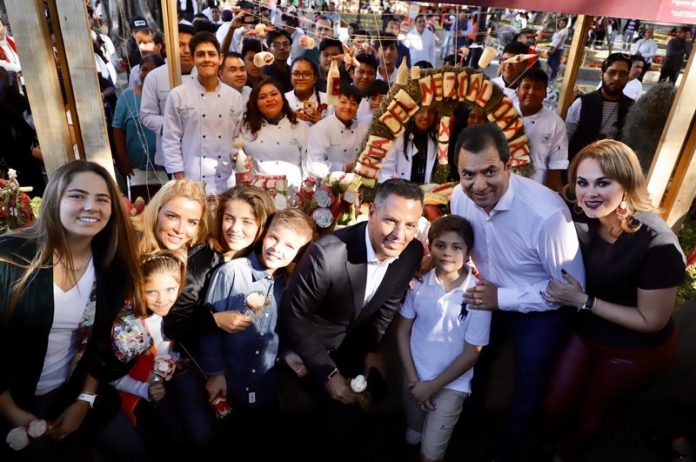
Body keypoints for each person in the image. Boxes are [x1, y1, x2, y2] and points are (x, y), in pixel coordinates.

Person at [541, 139, 685, 461]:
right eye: (582, 182)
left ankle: (565, 454)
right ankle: (547, 445)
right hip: (587, 330)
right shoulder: (583, 207)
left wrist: (583, 301)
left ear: (627, 184)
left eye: (603, 182)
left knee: (591, 413)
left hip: (634, 348)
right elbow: (536, 197)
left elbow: (652, 321)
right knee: (554, 402)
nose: (589, 192)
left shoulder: (657, 244)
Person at [450, 123, 585, 461]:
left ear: (510, 166)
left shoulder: (547, 213)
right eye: (468, 174)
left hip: (545, 310)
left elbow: (572, 289)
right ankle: (466, 424)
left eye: (490, 171)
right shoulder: (457, 197)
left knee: (528, 385)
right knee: (469, 364)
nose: (478, 185)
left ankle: (513, 448)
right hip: (490, 300)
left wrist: (504, 299)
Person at [0, 160, 145, 462]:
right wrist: (12, 412)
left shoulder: (113, 268)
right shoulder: (10, 258)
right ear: (56, 199)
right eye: (77, 195)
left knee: (133, 451)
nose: (91, 206)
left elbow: (103, 344)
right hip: (11, 399)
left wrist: (85, 399)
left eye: (102, 199)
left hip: (75, 391)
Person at [279, 179, 424, 460]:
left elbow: (388, 304)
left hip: (355, 346)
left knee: (377, 391)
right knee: (342, 420)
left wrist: (372, 348)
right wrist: (328, 374)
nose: (399, 234)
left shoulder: (412, 252)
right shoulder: (327, 254)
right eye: (390, 221)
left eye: (410, 225)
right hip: (312, 349)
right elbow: (294, 317)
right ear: (371, 213)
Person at [201, 208, 315, 457]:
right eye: (273, 238)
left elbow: (276, 330)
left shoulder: (286, 284)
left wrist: (288, 354)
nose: (277, 248)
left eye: (289, 246)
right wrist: (215, 373)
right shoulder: (230, 273)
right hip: (229, 385)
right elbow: (208, 330)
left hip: (265, 387)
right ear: (264, 235)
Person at [396, 215, 491, 462]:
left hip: (451, 385)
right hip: (414, 378)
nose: (447, 253)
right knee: (413, 434)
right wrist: (415, 381)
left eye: (456, 247)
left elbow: (472, 352)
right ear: (430, 246)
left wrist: (432, 386)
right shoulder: (418, 282)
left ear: (468, 252)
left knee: (431, 454)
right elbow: (402, 331)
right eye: (440, 245)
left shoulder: (477, 295)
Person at [111, 250, 189, 459]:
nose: (162, 299)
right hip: (135, 400)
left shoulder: (175, 316)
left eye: (170, 289)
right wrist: (144, 390)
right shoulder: (129, 326)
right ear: (138, 288)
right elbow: (112, 376)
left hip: (163, 392)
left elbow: (165, 353)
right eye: (151, 291)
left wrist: (176, 362)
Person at [162, 31, 244, 196]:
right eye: (200, 55)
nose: (206, 59)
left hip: (226, 180)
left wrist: (238, 157)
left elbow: (236, 138)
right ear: (192, 59)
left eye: (211, 54)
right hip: (190, 180)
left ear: (220, 58)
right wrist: (180, 179)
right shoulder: (178, 95)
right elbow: (171, 140)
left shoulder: (234, 96)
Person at [140, 24, 197, 169]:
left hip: (203, 153)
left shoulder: (206, 75)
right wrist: (172, 125)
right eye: (180, 45)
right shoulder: (155, 77)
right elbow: (146, 115)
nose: (186, 50)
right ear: (168, 47)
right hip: (170, 155)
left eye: (191, 45)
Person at [113, 53, 169, 199]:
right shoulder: (127, 96)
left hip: (166, 169)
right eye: (144, 69)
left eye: (152, 70)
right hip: (136, 169)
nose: (148, 74)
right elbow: (117, 129)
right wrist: (123, 159)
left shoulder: (168, 95)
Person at [241, 77, 310, 194]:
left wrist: (306, 191)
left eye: (274, 94)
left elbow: (308, 163)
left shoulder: (301, 127)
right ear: (255, 103)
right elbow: (237, 158)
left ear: (283, 99)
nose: (269, 99)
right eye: (262, 97)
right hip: (258, 195)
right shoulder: (244, 128)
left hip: (293, 194)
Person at [566, 53, 633, 162]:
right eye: (612, 72)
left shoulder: (632, 108)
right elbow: (565, 139)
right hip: (579, 166)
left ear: (628, 77)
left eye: (623, 74)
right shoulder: (582, 103)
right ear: (601, 75)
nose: (617, 78)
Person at [516, 68, 568, 191]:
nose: (531, 92)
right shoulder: (504, 114)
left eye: (538, 88)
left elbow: (557, 164)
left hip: (536, 187)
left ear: (545, 92)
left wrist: (549, 196)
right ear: (518, 90)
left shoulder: (556, 123)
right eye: (526, 87)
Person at [307, 83, 368, 177]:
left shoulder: (363, 129)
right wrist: (344, 168)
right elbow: (315, 164)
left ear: (358, 107)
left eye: (353, 104)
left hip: (358, 183)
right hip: (328, 185)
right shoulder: (320, 128)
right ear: (335, 103)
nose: (348, 107)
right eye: (343, 102)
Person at [379, 107, 439, 184]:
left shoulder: (436, 139)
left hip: (426, 193)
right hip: (401, 192)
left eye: (431, 111)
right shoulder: (398, 138)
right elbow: (385, 173)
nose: (426, 116)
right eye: (420, 110)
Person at [285, 57, 329, 125]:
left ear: (315, 78)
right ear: (291, 77)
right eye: (296, 74)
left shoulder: (327, 99)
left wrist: (322, 122)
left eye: (307, 74)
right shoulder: (282, 99)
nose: (301, 78)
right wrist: (290, 119)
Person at [547, 17, 568, 82]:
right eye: (560, 22)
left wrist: (554, 49)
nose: (560, 24)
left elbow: (560, 41)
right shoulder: (559, 30)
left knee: (554, 64)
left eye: (563, 23)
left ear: (565, 24)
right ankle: (551, 75)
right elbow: (554, 40)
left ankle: (553, 77)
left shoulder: (565, 31)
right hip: (552, 47)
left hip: (558, 48)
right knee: (549, 62)